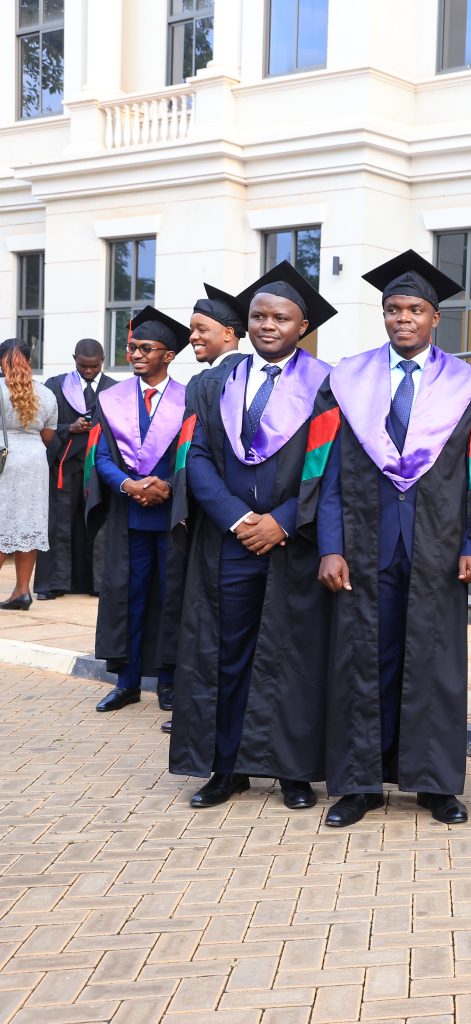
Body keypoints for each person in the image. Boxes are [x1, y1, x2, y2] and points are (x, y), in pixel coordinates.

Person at [301, 250, 471, 828]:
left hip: (438, 542)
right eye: (392, 309)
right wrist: (329, 543)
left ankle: (434, 783)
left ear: (436, 318)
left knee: (435, 662)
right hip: (362, 541)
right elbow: (322, 466)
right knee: (361, 659)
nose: (402, 318)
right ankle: (358, 783)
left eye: (414, 309)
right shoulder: (346, 379)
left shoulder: (466, 383)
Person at [169, 263, 336, 809]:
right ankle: (227, 766)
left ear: (302, 325)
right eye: (259, 316)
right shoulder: (212, 382)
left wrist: (284, 520)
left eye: (280, 317)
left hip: (295, 539)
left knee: (293, 652)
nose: (267, 325)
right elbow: (192, 456)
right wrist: (237, 519)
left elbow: (332, 466)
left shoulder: (329, 386)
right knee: (225, 651)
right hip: (228, 541)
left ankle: (291, 770)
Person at [85, 308, 189, 713]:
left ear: (168, 355)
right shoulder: (111, 400)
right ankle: (126, 682)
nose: (136, 355)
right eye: (131, 348)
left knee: (171, 596)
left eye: (146, 348)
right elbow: (101, 457)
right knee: (126, 596)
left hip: (172, 515)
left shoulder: (188, 398)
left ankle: (167, 680)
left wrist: (169, 486)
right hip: (127, 515)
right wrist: (129, 484)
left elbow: (193, 454)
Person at [156, 282, 250, 734]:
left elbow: (194, 455)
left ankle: (203, 714)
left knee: (209, 622)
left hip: (217, 520)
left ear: (230, 334)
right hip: (250, 518)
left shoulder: (207, 382)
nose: (192, 337)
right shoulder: (235, 376)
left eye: (201, 329)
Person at [36, 339, 116, 600]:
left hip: (98, 468)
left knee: (97, 523)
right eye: (83, 366)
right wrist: (68, 428)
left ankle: (97, 584)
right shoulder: (56, 386)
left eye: (94, 366)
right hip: (65, 466)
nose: (89, 371)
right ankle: (54, 584)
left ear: (102, 360)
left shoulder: (115, 390)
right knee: (59, 524)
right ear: (74, 359)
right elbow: (41, 426)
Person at [0, 338, 58, 610]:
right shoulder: (46, 393)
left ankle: (20, 592)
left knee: (3, 524)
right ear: (29, 361)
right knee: (28, 524)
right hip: (35, 461)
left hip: (4, 459)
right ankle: (22, 591)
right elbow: (48, 436)